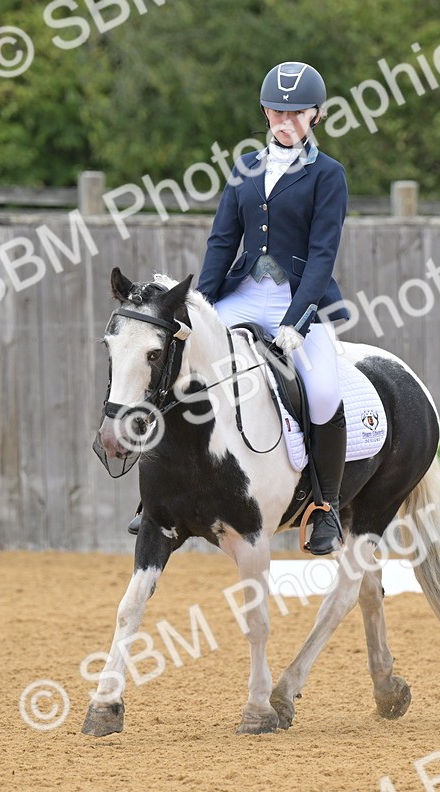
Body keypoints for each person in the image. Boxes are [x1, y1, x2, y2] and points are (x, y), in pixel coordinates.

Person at [129, 61, 351, 556]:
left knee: (322, 393)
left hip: (298, 298)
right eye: (277, 111)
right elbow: (222, 240)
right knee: (181, 367)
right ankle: (156, 496)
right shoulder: (245, 167)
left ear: (316, 115)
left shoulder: (328, 174)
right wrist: (199, 305)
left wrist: (297, 321)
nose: (285, 121)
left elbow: (322, 255)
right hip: (243, 292)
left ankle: (325, 507)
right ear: (265, 112)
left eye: (296, 113)